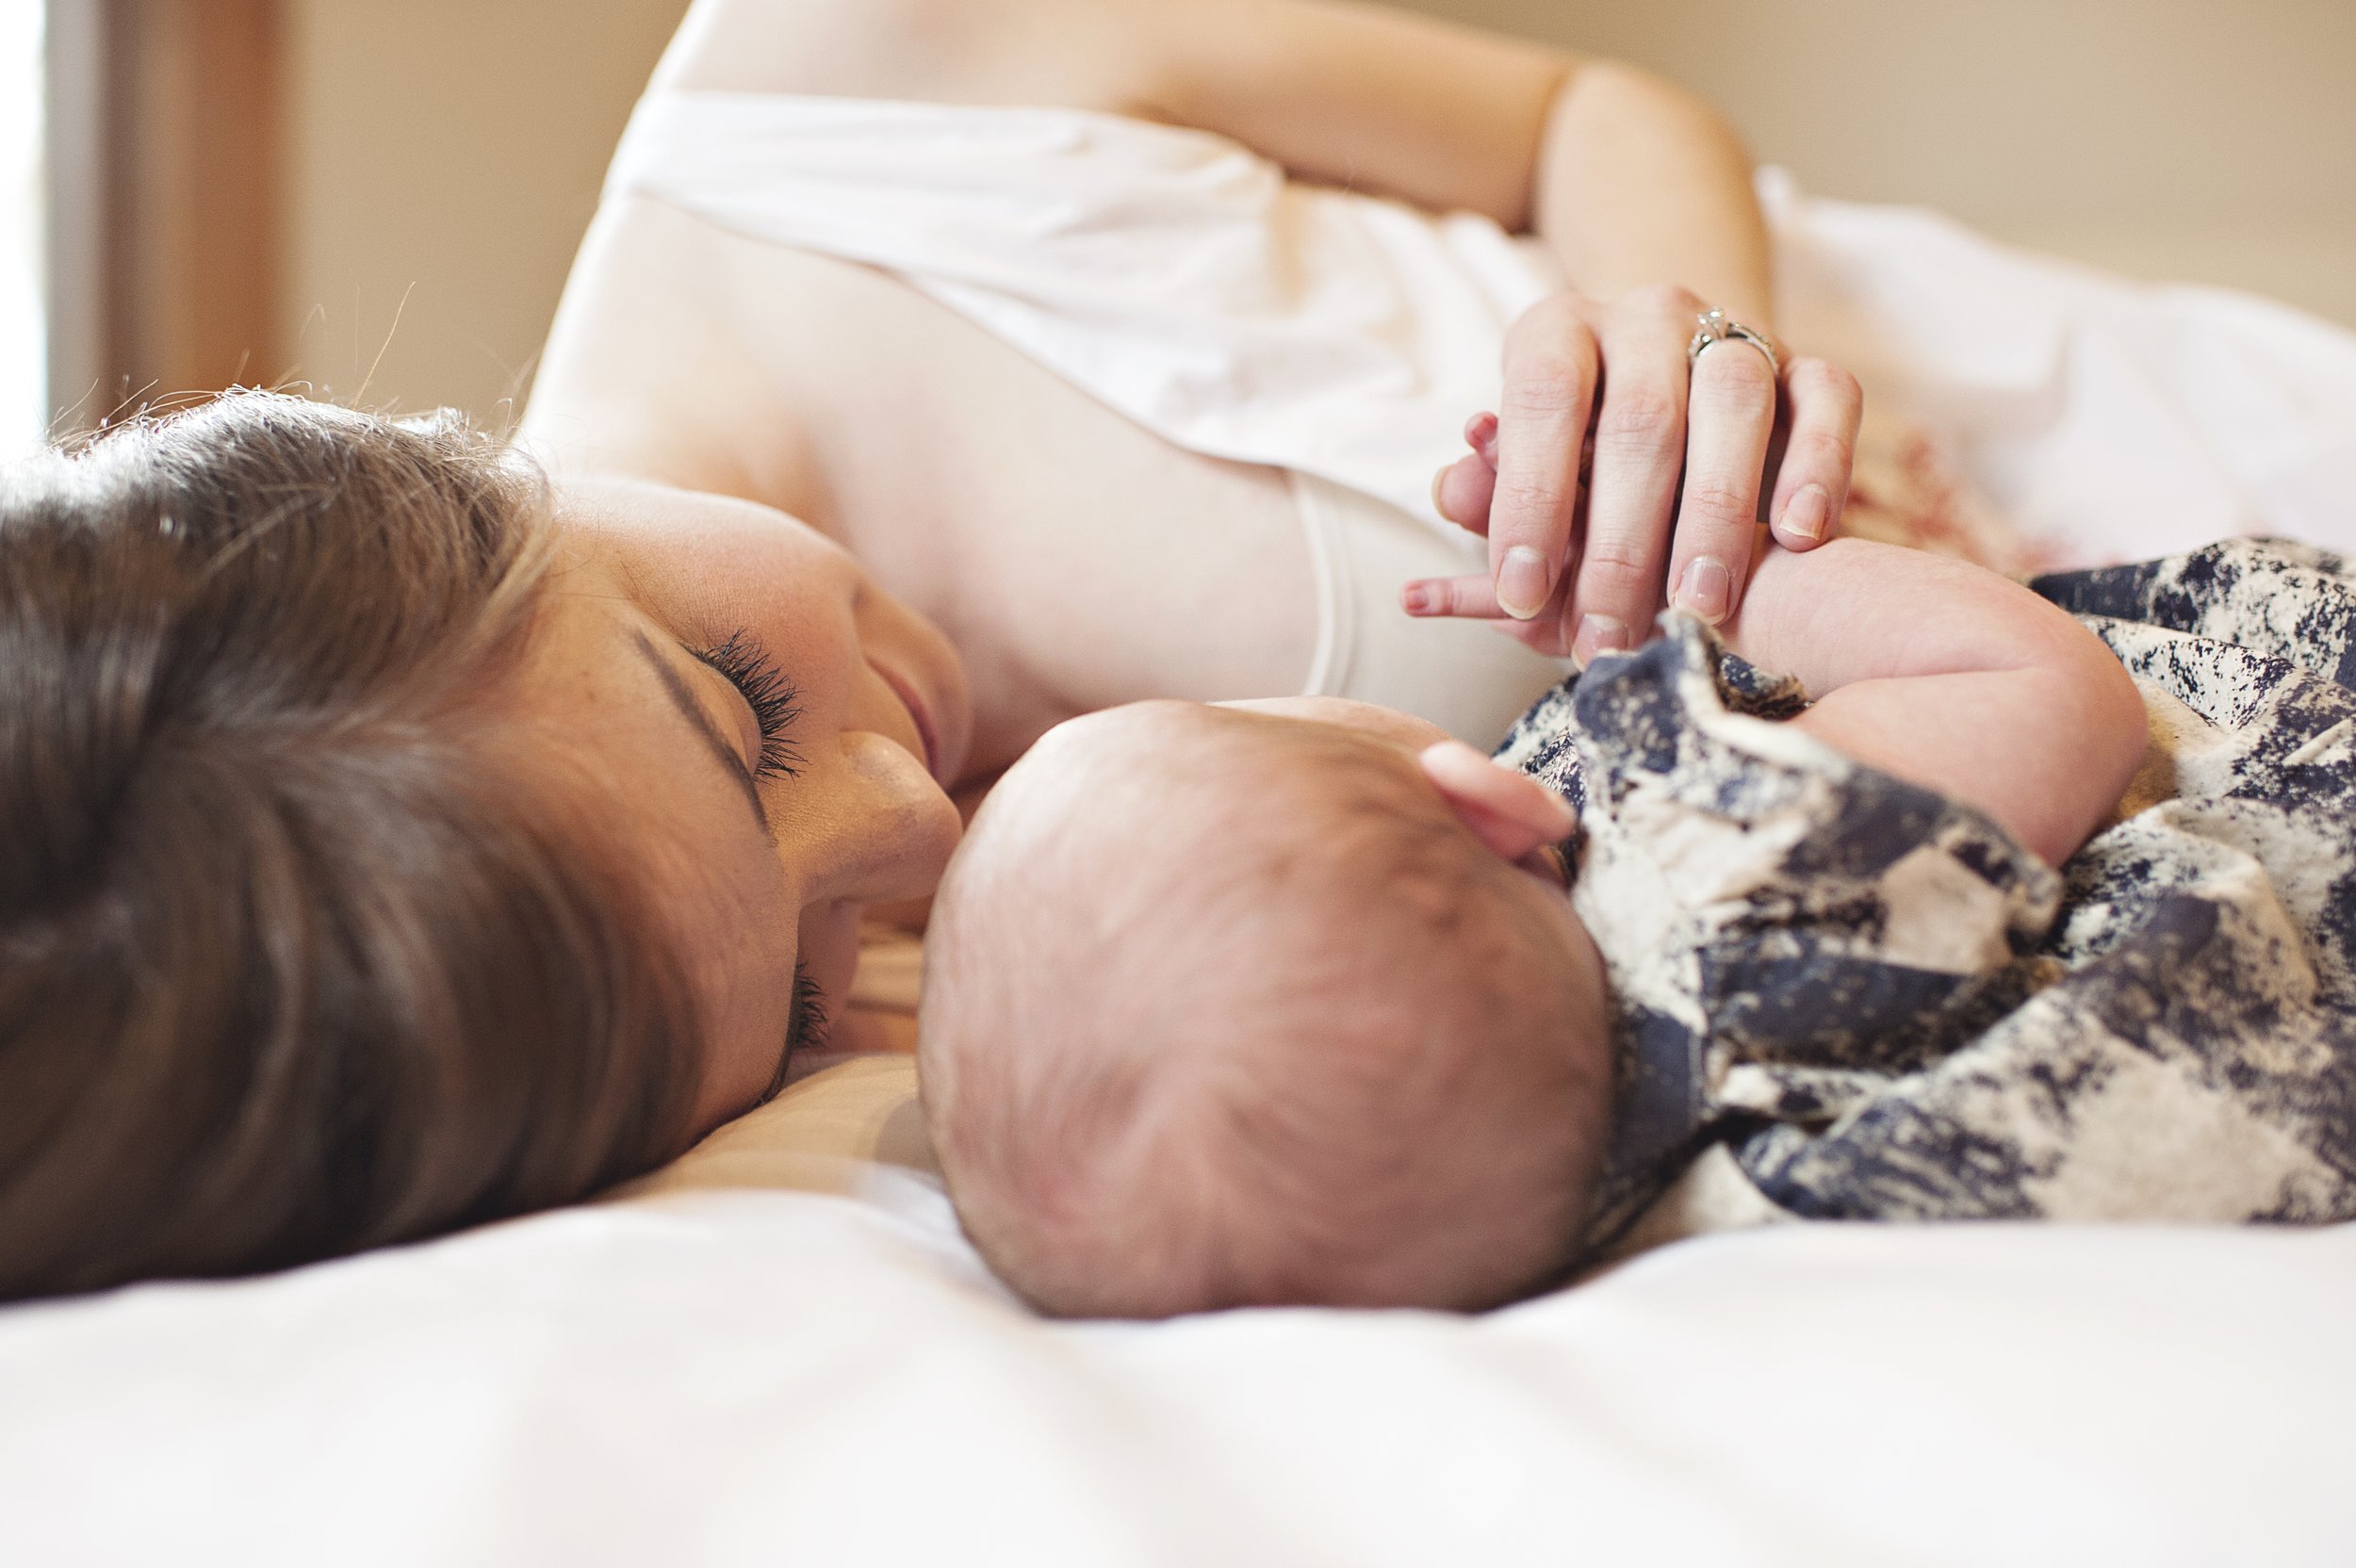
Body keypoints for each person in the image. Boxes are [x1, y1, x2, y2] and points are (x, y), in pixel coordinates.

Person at [0, 0, 1860, 1301]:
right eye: (810, 990)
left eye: (737, 702)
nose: (909, 823)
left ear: (423, 482)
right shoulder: (710, 1008)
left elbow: (1586, 116)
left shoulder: (830, 79)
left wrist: (1694, 354)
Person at [919, 494, 2356, 1317]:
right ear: (1489, 809)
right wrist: (1729, 582)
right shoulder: (1722, 861)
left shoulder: (1548, 1188)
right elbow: (2049, 695)